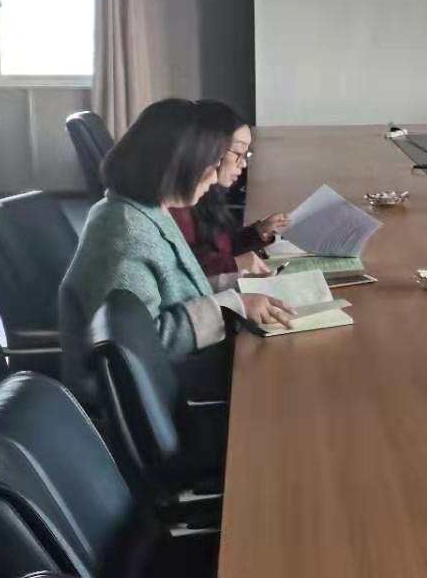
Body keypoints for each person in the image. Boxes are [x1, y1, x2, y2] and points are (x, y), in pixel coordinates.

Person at [59, 98, 294, 402]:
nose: (214, 177)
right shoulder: (127, 232)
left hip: (179, 370)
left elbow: (177, 284)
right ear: (179, 164)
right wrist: (233, 304)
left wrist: (236, 284)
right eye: (212, 164)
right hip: (156, 392)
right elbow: (147, 342)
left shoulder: (146, 209)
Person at [170, 100, 289, 283]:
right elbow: (178, 272)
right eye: (238, 152)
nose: (244, 164)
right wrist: (234, 264)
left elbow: (223, 247)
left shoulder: (209, 195)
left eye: (247, 154)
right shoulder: (174, 203)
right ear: (208, 148)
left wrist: (258, 232)